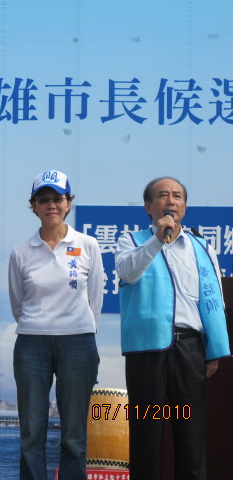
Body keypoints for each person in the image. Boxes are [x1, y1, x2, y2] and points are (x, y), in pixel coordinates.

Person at [115, 176, 229, 479]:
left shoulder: (201, 247)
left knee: (191, 435)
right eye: (163, 195)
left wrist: (213, 350)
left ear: (185, 206)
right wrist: (157, 239)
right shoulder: (132, 241)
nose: (171, 201)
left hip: (189, 349)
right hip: (146, 351)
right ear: (148, 206)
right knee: (146, 435)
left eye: (177, 196)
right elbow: (127, 272)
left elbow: (214, 299)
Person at [8, 170, 102, 480]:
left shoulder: (88, 245)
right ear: (33, 206)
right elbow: (18, 304)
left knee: (73, 435)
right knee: (31, 432)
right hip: (31, 344)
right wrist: (40, 325)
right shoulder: (21, 252)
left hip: (78, 342)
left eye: (57, 199)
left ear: (68, 203)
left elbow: (95, 299)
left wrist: (80, 328)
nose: (51, 205)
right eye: (43, 199)